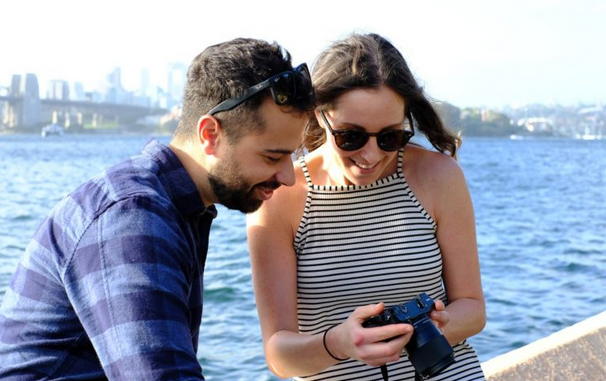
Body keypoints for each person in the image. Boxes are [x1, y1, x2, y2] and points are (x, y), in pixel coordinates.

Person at [0, 37, 315, 380]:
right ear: (210, 134)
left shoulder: (177, 209)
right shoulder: (133, 217)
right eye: (273, 156)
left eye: (293, 155)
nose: (287, 176)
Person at [247, 33, 486, 380]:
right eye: (351, 136)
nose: (370, 155)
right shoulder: (281, 197)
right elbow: (280, 355)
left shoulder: (439, 176)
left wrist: (426, 328)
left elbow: (473, 309)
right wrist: (340, 344)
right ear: (318, 115)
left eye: (390, 136)